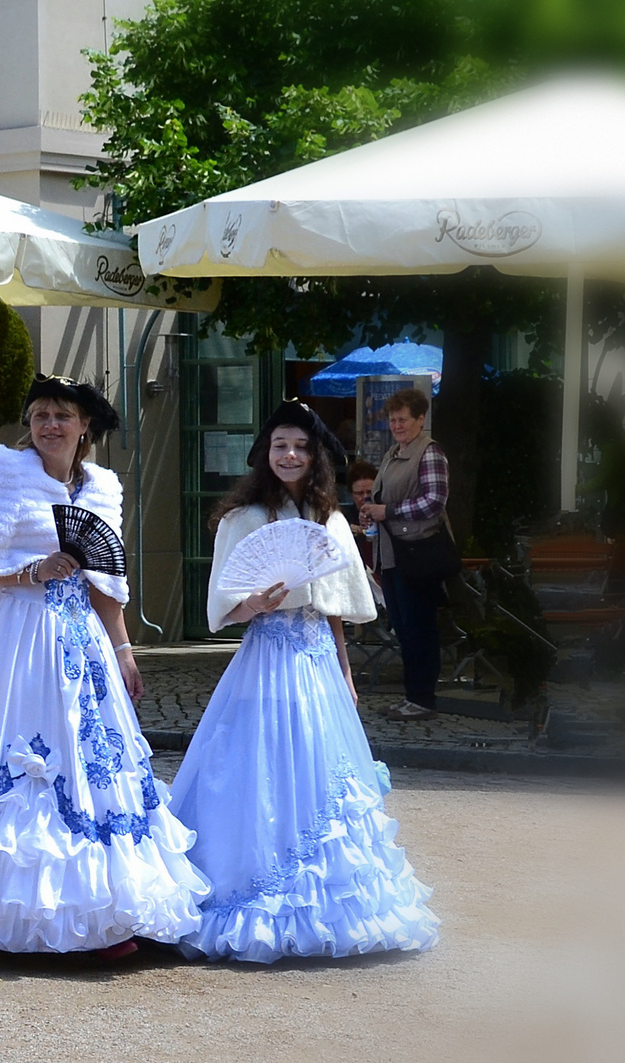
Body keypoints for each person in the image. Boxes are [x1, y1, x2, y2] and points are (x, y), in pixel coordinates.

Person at [0, 376, 209, 957]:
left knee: (90, 758)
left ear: (84, 425)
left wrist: (123, 651)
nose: (49, 425)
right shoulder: (3, 471)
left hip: (82, 638)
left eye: (62, 415)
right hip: (17, 634)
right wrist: (31, 572)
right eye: (39, 414)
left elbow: (107, 582)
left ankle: (103, 906)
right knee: (19, 755)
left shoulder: (103, 487)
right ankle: (1, 904)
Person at [167, 400, 439, 964]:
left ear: (314, 456)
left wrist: (343, 666)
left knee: (321, 766)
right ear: (265, 456)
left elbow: (333, 603)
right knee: (258, 764)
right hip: (266, 654)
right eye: (279, 446)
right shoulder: (242, 519)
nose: (289, 455)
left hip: (315, 656)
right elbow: (226, 608)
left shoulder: (328, 519)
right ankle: (253, 889)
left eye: (299, 446)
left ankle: (329, 904)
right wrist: (254, 602)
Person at [361, 387, 449, 719]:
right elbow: (382, 498)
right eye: (393, 419)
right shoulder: (394, 452)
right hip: (394, 555)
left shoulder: (429, 453)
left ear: (421, 419)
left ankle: (423, 699)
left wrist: (388, 511)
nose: (397, 425)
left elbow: (434, 502)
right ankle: (413, 696)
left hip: (418, 554)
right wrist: (371, 510)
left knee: (419, 628)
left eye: (403, 419)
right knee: (404, 628)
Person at [346, 459, 386, 608]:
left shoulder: (384, 512)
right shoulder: (345, 516)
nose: (365, 497)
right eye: (359, 493)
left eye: (369, 492)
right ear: (351, 494)